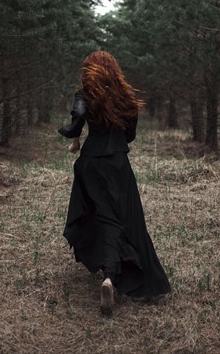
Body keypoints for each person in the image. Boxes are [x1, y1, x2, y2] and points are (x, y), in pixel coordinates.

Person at [58, 50, 171, 315]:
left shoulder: (84, 95)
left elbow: (74, 126)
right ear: (114, 70)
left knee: (103, 216)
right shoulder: (125, 98)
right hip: (117, 163)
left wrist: (74, 138)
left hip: (91, 163)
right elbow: (129, 135)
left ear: (91, 71)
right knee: (120, 217)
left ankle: (109, 273)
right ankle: (112, 274)